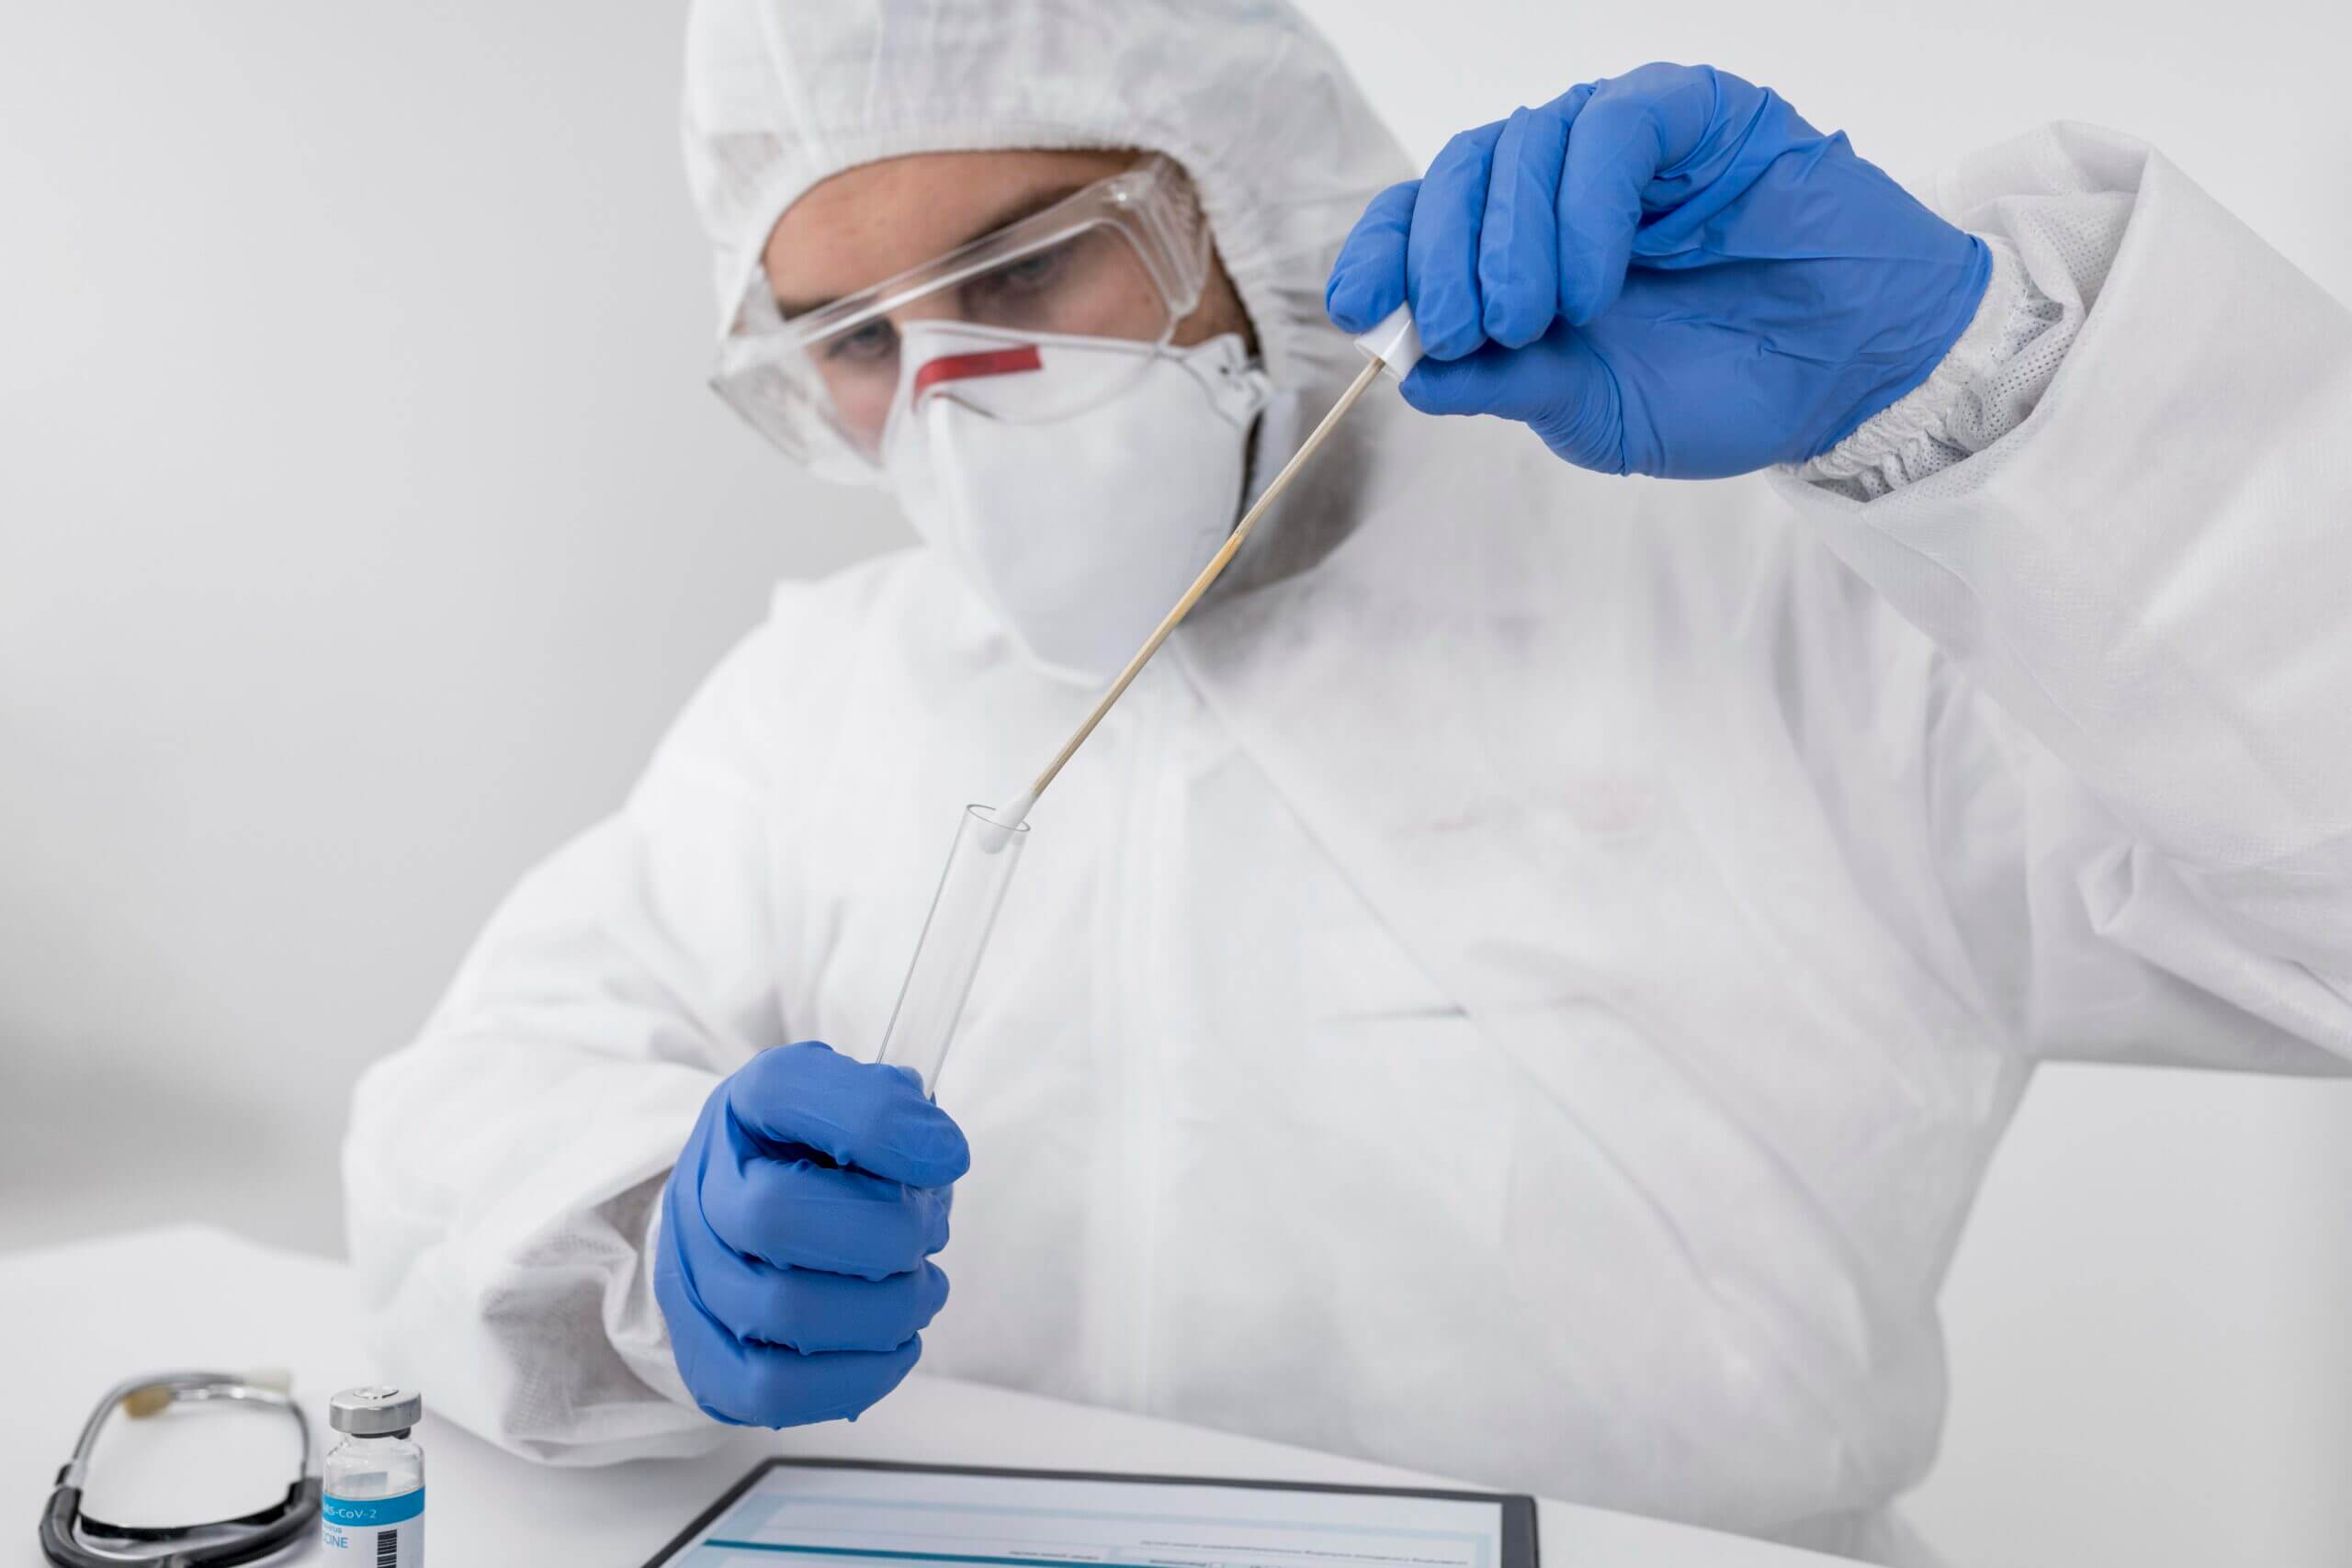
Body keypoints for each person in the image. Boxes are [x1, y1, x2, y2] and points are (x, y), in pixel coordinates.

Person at [342, 2, 2352, 1562]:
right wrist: (633, 1235)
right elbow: (472, 1103)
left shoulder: (1766, 594)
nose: (946, 403)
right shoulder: (824, 702)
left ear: (1252, 197)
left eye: (1030, 268)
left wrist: (1978, 394)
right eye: (847, 343)